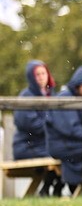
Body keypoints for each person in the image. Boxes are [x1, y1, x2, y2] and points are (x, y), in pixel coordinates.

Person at [13, 60, 63, 195]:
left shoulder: (52, 95)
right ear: (31, 77)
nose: (41, 77)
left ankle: (54, 188)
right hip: (27, 146)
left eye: (43, 73)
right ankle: (47, 189)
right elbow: (31, 126)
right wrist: (52, 123)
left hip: (45, 144)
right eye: (37, 74)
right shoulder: (26, 96)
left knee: (68, 153)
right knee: (60, 154)